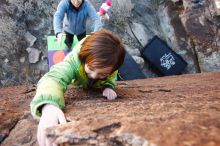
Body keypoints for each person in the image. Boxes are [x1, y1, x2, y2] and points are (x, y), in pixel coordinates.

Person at [30, 29, 125, 146]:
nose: (95, 76)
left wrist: (107, 85)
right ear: (84, 58)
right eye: (90, 69)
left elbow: (111, 75)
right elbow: (53, 78)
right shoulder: (72, 63)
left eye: (103, 74)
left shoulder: (111, 65)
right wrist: (48, 106)